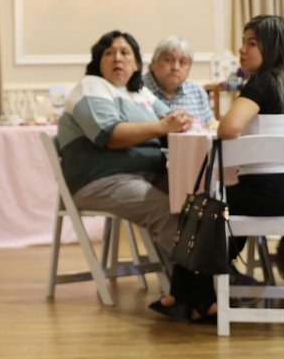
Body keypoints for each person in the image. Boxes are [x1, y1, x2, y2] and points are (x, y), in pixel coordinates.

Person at [55, 31, 196, 320]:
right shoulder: (91, 87)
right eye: (108, 52)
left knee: (195, 200)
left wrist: (179, 120)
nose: (117, 58)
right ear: (98, 61)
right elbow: (109, 135)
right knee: (166, 211)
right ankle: (199, 293)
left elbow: (171, 120)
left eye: (125, 53)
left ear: (136, 63)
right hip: (101, 181)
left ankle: (201, 286)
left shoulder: (139, 91)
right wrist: (163, 127)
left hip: (143, 174)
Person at [216, 15, 284, 286]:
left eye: (251, 43)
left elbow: (228, 128)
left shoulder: (262, 84)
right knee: (228, 200)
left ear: (272, 48)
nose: (242, 49)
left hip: (268, 195)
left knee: (208, 207)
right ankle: (211, 283)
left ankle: (201, 289)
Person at [142, 35, 213, 128]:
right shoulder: (137, 88)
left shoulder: (197, 92)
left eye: (183, 62)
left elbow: (210, 125)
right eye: (168, 60)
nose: (175, 67)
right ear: (153, 63)